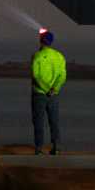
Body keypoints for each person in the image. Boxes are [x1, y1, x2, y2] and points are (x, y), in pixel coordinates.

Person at [27, 26, 69, 154]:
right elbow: (63, 75)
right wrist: (54, 89)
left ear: (41, 40)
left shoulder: (37, 56)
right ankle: (56, 147)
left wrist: (45, 89)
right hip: (54, 95)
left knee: (38, 121)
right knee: (54, 121)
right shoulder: (59, 56)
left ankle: (39, 149)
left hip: (39, 94)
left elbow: (36, 75)